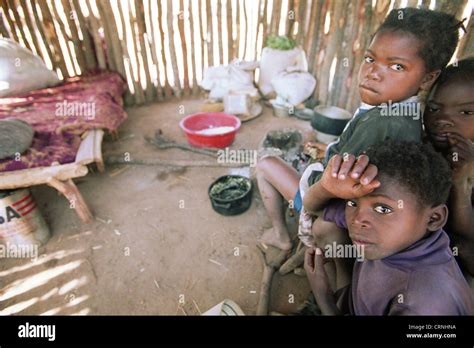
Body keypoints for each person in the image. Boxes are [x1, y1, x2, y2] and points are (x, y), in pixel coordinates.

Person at [257, 8, 461, 255]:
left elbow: (333, 185)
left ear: (428, 79)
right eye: (370, 59)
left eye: (396, 67)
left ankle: (280, 235)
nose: (373, 73)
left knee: (266, 164)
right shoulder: (399, 111)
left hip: (328, 203)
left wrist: (313, 184)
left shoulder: (384, 122)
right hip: (347, 202)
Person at [304, 141, 474, 315]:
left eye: (383, 209)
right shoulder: (397, 234)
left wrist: (323, 297)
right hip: (358, 300)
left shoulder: (422, 305)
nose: (357, 221)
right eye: (352, 202)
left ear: (434, 218)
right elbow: (315, 209)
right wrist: (325, 187)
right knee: (325, 227)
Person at [423, 57, 474, 276]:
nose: (443, 120)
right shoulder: (417, 150)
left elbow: (467, 237)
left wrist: (460, 182)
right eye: (434, 109)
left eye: (466, 112)